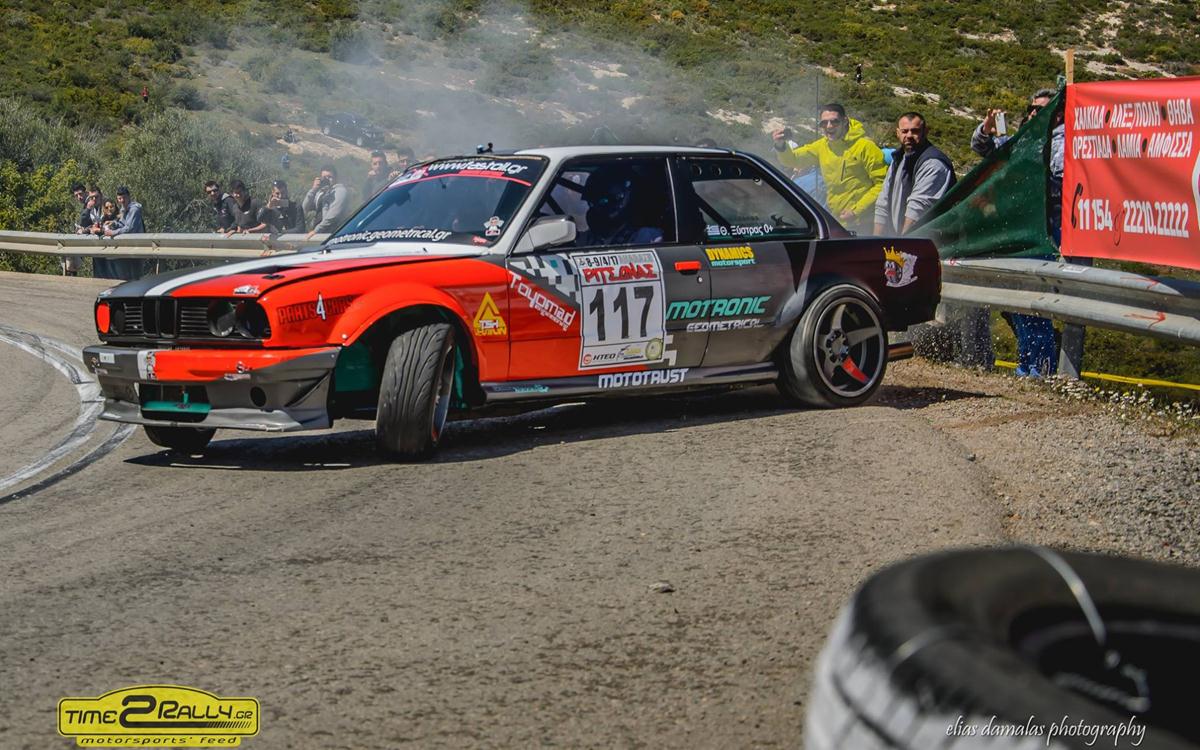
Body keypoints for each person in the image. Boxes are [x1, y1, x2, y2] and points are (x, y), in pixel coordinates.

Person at [972, 88, 1063, 377]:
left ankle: (1041, 370)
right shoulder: (1024, 139)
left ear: (1058, 115)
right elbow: (983, 148)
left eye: (1042, 109)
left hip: (1041, 232)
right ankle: (1027, 365)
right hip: (1015, 232)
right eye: (1032, 108)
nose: (1034, 113)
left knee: (1034, 305)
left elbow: (1054, 180)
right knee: (1017, 306)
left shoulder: (1061, 142)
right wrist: (986, 130)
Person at [772, 103, 887, 233]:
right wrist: (781, 146)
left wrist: (856, 211)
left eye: (834, 121)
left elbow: (882, 184)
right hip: (837, 222)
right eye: (824, 123)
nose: (829, 126)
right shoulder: (821, 146)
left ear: (845, 121)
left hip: (863, 223)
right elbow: (793, 160)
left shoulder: (865, 146)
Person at [873, 112, 956, 235]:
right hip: (901, 238)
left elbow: (917, 210)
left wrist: (903, 243)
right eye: (904, 131)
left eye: (915, 131)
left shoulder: (933, 163)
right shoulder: (898, 158)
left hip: (931, 241)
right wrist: (876, 240)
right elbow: (883, 202)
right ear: (898, 133)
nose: (909, 135)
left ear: (925, 132)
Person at [575, 165, 663, 247]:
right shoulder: (589, 237)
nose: (595, 209)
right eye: (592, 204)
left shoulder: (646, 236)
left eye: (603, 201)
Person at [101, 186, 145, 280]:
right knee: (127, 277)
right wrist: (114, 223)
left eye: (124, 198)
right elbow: (123, 224)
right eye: (119, 198)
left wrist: (113, 232)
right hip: (129, 246)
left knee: (136, 277)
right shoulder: (123, 209)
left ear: (129, 197)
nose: (122, 201)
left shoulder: (134, 210)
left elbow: (130, 228)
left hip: (136, 246)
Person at [304, 165, 350, 239]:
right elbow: (305, 208)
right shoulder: (321, 192)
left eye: (330, 177)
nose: (327, 179)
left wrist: (316, 230)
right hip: (318, 232)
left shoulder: (340, 191)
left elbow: (332, 216)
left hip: (332, 234)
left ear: (336, 178)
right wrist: (313, 189)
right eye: (324, 177)